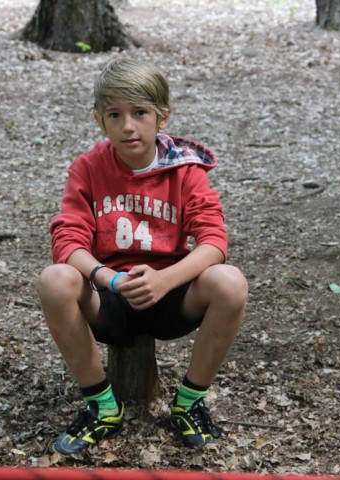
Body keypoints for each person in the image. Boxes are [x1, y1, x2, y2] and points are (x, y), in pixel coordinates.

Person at [36, 57, 247, 454]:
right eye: (115, 115)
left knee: (230, 281)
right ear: (100, 121)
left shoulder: (185, 170)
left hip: (170, 296)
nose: (128, 126)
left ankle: (189, 402)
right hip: (109, 297)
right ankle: (102, 406)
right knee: (54, 279)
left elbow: (215, 241)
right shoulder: (88, 168)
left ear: (162, 117)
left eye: (140, 113)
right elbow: (67, 241)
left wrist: (166, 279)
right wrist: (110, 278)